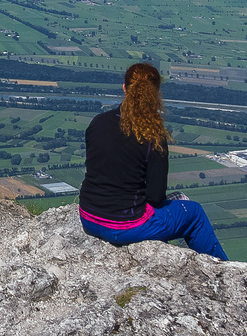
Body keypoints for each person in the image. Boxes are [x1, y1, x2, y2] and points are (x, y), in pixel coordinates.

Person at [77, 62, 227, 260]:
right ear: (155, 94)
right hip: (125, 227)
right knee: (194, 213)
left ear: (124, 88)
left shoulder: (98, 122)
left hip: (89, 217)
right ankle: (222, 269)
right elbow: (156, 196)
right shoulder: (152, 136)